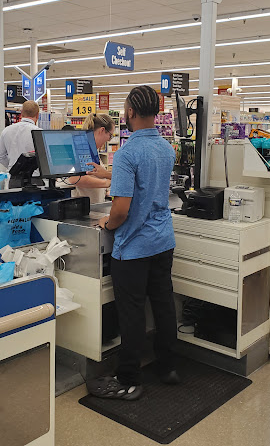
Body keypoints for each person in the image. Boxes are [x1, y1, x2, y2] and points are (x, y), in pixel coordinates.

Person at [86, 86, 178, 401]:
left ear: (131, 113)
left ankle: (128, 379)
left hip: (135, 246)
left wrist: (107, 223)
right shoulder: (166, 148)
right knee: (163, 304)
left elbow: (121, 210)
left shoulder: (127, 152)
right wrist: (108, 173)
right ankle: (168, 367)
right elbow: (146, 179)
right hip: (162, 240)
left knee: (132, 313)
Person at [65, 113, 114, 205]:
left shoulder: (93, 149)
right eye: (110, 136)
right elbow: (75, 178)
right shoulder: (81, 147)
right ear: (102, 130)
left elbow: (93, 174)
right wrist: (105, 183)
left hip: (93, 204)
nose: (108, 140)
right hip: (81, 206)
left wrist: (106, 190)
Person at [0, 100, 40, 187]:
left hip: (15, 180)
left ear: (21, 113)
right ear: (37, 115)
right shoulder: (39, 133)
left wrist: (15, 167)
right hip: (35, 179)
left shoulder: (6, 131)